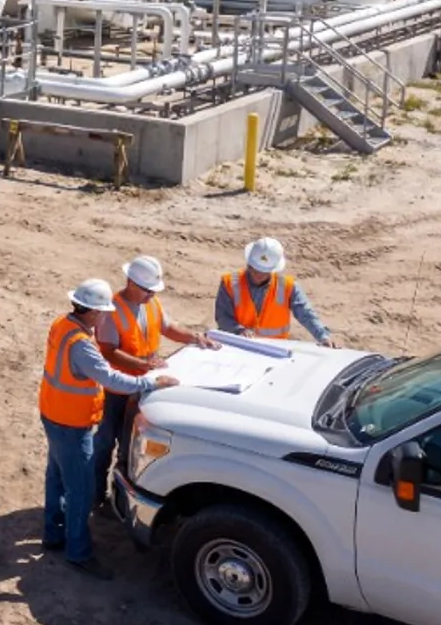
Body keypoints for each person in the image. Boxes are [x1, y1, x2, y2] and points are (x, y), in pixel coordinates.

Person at [40, 277, 178, 581]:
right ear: (93, 312)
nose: (106, 316)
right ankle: (77, 552)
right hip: (71, 423)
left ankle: (53, 534)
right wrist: (150, 381)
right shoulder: (82, 346)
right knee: (81, 489)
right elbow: (111, 378)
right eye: (103, 312)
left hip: (52, 413)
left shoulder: (62, 324)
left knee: (57, 476)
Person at [93, 256, 217, 510]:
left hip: (145, 388)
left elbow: (168, 327)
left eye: (153, 290)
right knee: (104, 444)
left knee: (130, 447)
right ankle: (95, 495)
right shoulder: (111, 310)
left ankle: (120, 499)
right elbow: (108, 350)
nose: (151, 295)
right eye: (147, 290)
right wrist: (143, 365)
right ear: (130, 282)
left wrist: (195, 338)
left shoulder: (152, 304)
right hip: (116, 391)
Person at [216, 237, 336, 346]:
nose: (258, 276)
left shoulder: (288, 287)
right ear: (248, 263)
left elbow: (306, 313)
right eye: (254, 269)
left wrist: (322, 336)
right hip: (238, 345)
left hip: (275, 349)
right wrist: (239, 330)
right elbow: (222, 317)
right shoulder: (230, 283)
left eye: (263, 273)